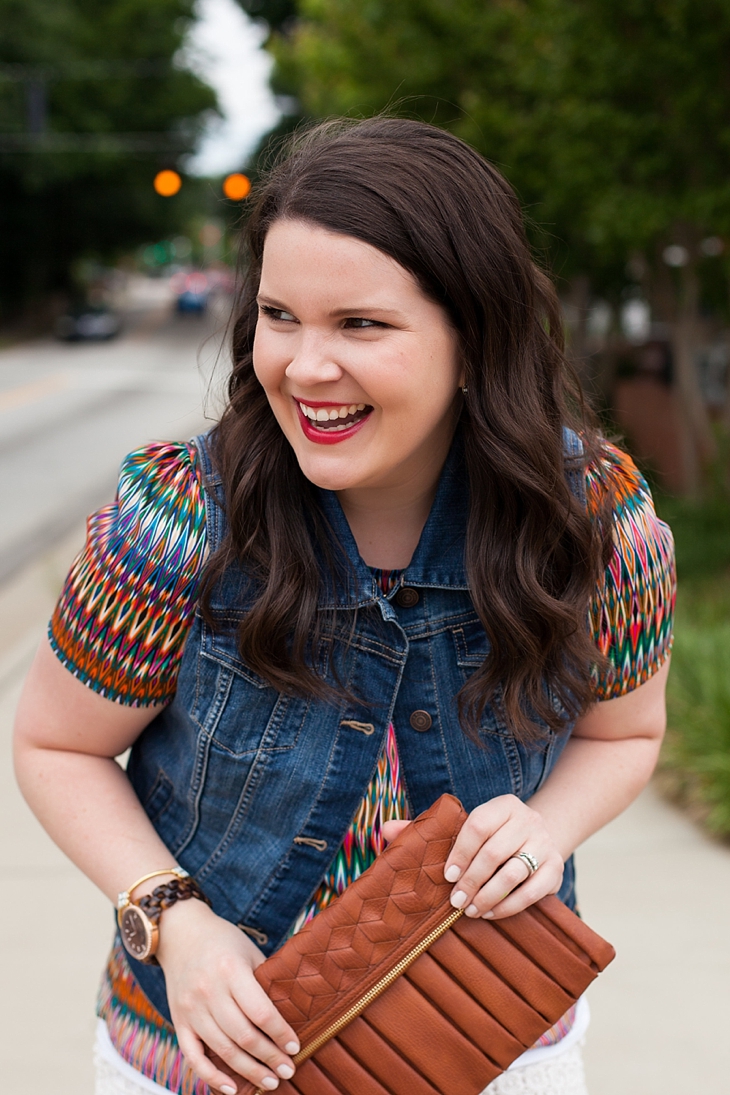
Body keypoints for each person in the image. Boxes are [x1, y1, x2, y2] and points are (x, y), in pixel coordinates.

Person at [13, 117, 675, 1095]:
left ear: (472, 333)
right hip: (199, 1064)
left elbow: (624, 734)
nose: (304, 367)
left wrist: (547, 829)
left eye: (360, 325)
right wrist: (179, 927)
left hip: (489, 1050)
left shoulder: (592, 522)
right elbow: (56, 746)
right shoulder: (181, 520)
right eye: (280, 316)